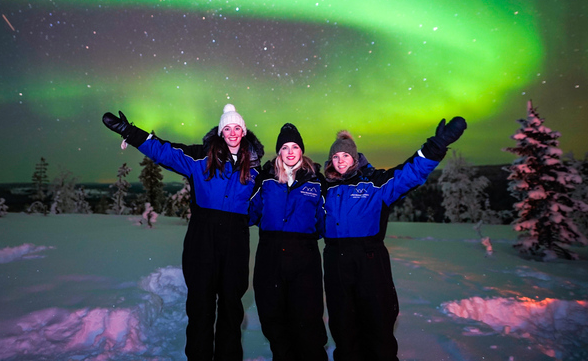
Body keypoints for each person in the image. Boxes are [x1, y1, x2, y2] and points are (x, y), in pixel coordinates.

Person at [102, 104, 264, 361]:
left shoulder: (256, 171)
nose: (233, 133)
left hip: (235, 242)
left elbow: (261, 207)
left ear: (243, 132)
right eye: (227, 128)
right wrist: (131, 133)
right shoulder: (201, 157)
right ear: (221, 132)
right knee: (201, 307)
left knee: (231, 310)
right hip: (202, 240)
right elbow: (164, 151)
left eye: (237, 128)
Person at [322, 117, 467, 361]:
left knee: (378, 323)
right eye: (336, 157)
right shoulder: (324, 188)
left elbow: (410, 173)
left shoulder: (376, 183)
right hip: (336, 262)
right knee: (343, 326)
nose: (340, 161)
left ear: (355, 157)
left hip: (369, 260)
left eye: (345, 156)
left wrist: (437, 145)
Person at [248, 123, 328, 361]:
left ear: (301, 150)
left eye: (295, 146)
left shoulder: (316, 182)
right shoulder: (266, 180)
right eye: (285, 147)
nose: (290, 152)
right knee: (272, 316)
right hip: (270, 255)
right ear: (278, 152)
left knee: (307, 318)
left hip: (304, 257)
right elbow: (250, 213)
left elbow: (324, 222)